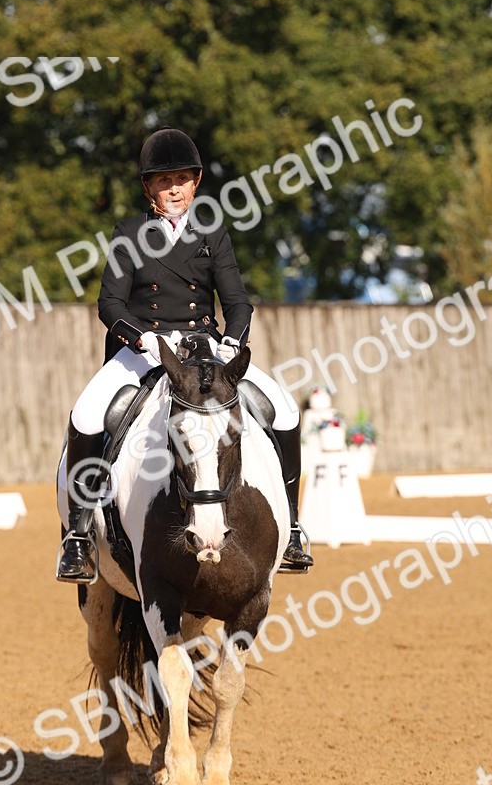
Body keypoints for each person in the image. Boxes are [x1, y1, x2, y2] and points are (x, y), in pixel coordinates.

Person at [56, 126, 313, 581]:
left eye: (180, 180)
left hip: (206, 347)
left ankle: (291, 527)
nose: (172, 189)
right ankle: (77, 537)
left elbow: (237, 301)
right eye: (162, 181)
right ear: (148, 188)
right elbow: (109, 305)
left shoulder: (212, 232)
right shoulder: (129, 233)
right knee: (88, 415)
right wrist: (146, 341)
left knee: (287, 411)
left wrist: (233, 340)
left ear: (194, 183)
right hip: (145, 349)